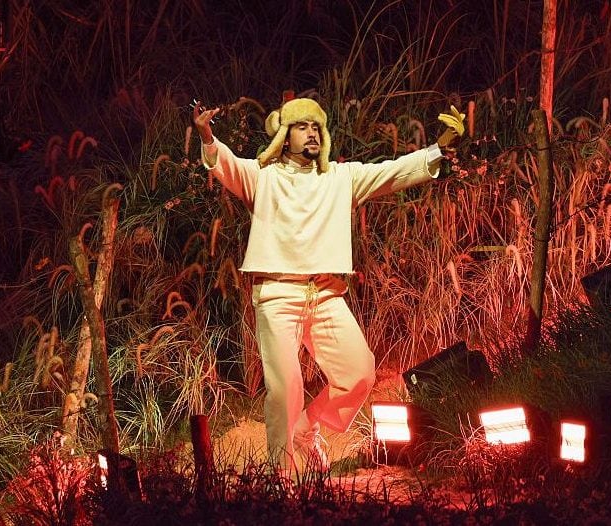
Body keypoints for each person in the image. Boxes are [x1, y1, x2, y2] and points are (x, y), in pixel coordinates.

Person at [193, 96, 461, 475]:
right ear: (285, 136)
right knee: (285, 390)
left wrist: (439, 148)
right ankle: (280, 478)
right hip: (277, 295)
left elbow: (393, 172)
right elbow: (228, 165)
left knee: (359, 372)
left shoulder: (340, 178)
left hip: (325, 293)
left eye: (317, 126)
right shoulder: (263, 176)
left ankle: (307, 429)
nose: (313, 132)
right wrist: (207, 136)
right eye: (303, 126)